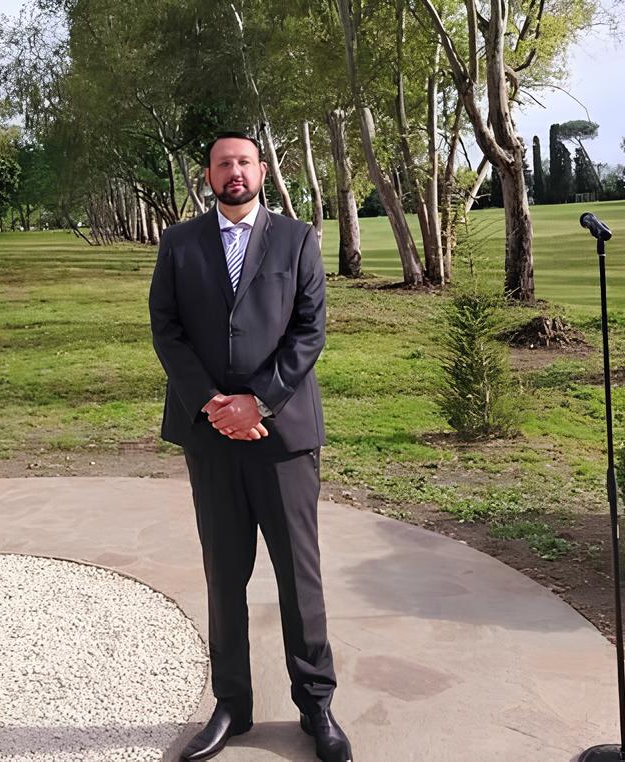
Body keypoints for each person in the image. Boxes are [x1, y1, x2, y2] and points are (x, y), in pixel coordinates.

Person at [149, 132, 352, 762]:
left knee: (299, 574)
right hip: (209, 436)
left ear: (261, 170)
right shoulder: (179, 243)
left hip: (283, 436)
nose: (233, 171)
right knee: (224, 573)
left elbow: (309, 329)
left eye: (243, 162)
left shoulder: (297, 239)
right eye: (222, 164)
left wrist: (257, 402)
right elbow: (167, 329)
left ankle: (316, 705)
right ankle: (231, 705)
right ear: (208, 175)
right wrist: (214, 403)